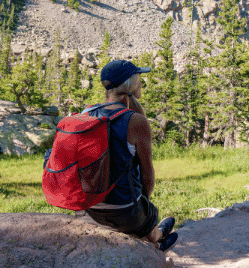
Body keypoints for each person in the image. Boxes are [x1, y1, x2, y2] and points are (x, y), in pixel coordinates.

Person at [74, 60, 178, 252]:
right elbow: (148, 177)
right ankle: (157, 237)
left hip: (91, 208)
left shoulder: (86, 114)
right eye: (139, 80)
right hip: (126, 212)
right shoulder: (137, 121)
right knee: (143, 220)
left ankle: (153, 232)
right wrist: (142, 206)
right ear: (132, 87)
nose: (141, 84)